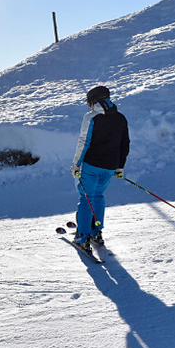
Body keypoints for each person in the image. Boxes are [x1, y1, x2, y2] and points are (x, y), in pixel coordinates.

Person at [70, 86, 130, 253]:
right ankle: (96, 232)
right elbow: (124, 144)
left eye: (88, 102)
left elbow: (84, 142)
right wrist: (119, 167)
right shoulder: (121, 118)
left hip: (92, 165)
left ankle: (82, 236)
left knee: (86, 197)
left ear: (93, 101)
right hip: (110, 167)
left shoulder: (91, 118)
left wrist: (76, 164)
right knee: (98, 196)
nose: (88, 106)